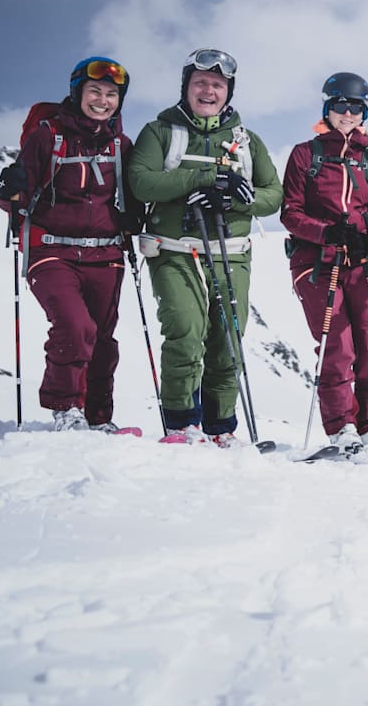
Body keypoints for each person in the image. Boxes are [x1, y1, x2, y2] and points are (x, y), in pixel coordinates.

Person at [128, 48, 282, 444]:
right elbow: (141, 181)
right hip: (173, 249)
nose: (208, 91)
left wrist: (234, 199)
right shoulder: (159, 132)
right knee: (184, 331)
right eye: (200, 83)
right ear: (186, 87)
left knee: (228, 339)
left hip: (231, 251)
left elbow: (273, 195)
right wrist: (203, 178)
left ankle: (220, 428)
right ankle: (182, 423)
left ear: (228, 91)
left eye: (217, 84)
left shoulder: (247, 141)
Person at [0, 57, 138, 431]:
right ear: (77, 92)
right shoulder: (48, 135)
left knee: (103, 339)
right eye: (95, 91)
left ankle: (98, 418)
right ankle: (65, 408)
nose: (103, 101)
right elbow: (16, 194)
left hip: (105, 253)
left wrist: (136, 219)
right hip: (50, 250)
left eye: (111, 94)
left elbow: (134, 197)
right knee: (75, 326)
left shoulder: (121, 145)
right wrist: (5, 189)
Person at [279, 73, 368, 460]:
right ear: (327, 108)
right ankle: (342, 428)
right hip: (317, 263)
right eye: (341, 106)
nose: (348, 114)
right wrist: (327, 233)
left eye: (356, 108)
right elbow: (290, 212)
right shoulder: (305, 155)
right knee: (338, 346)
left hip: (361, 263)